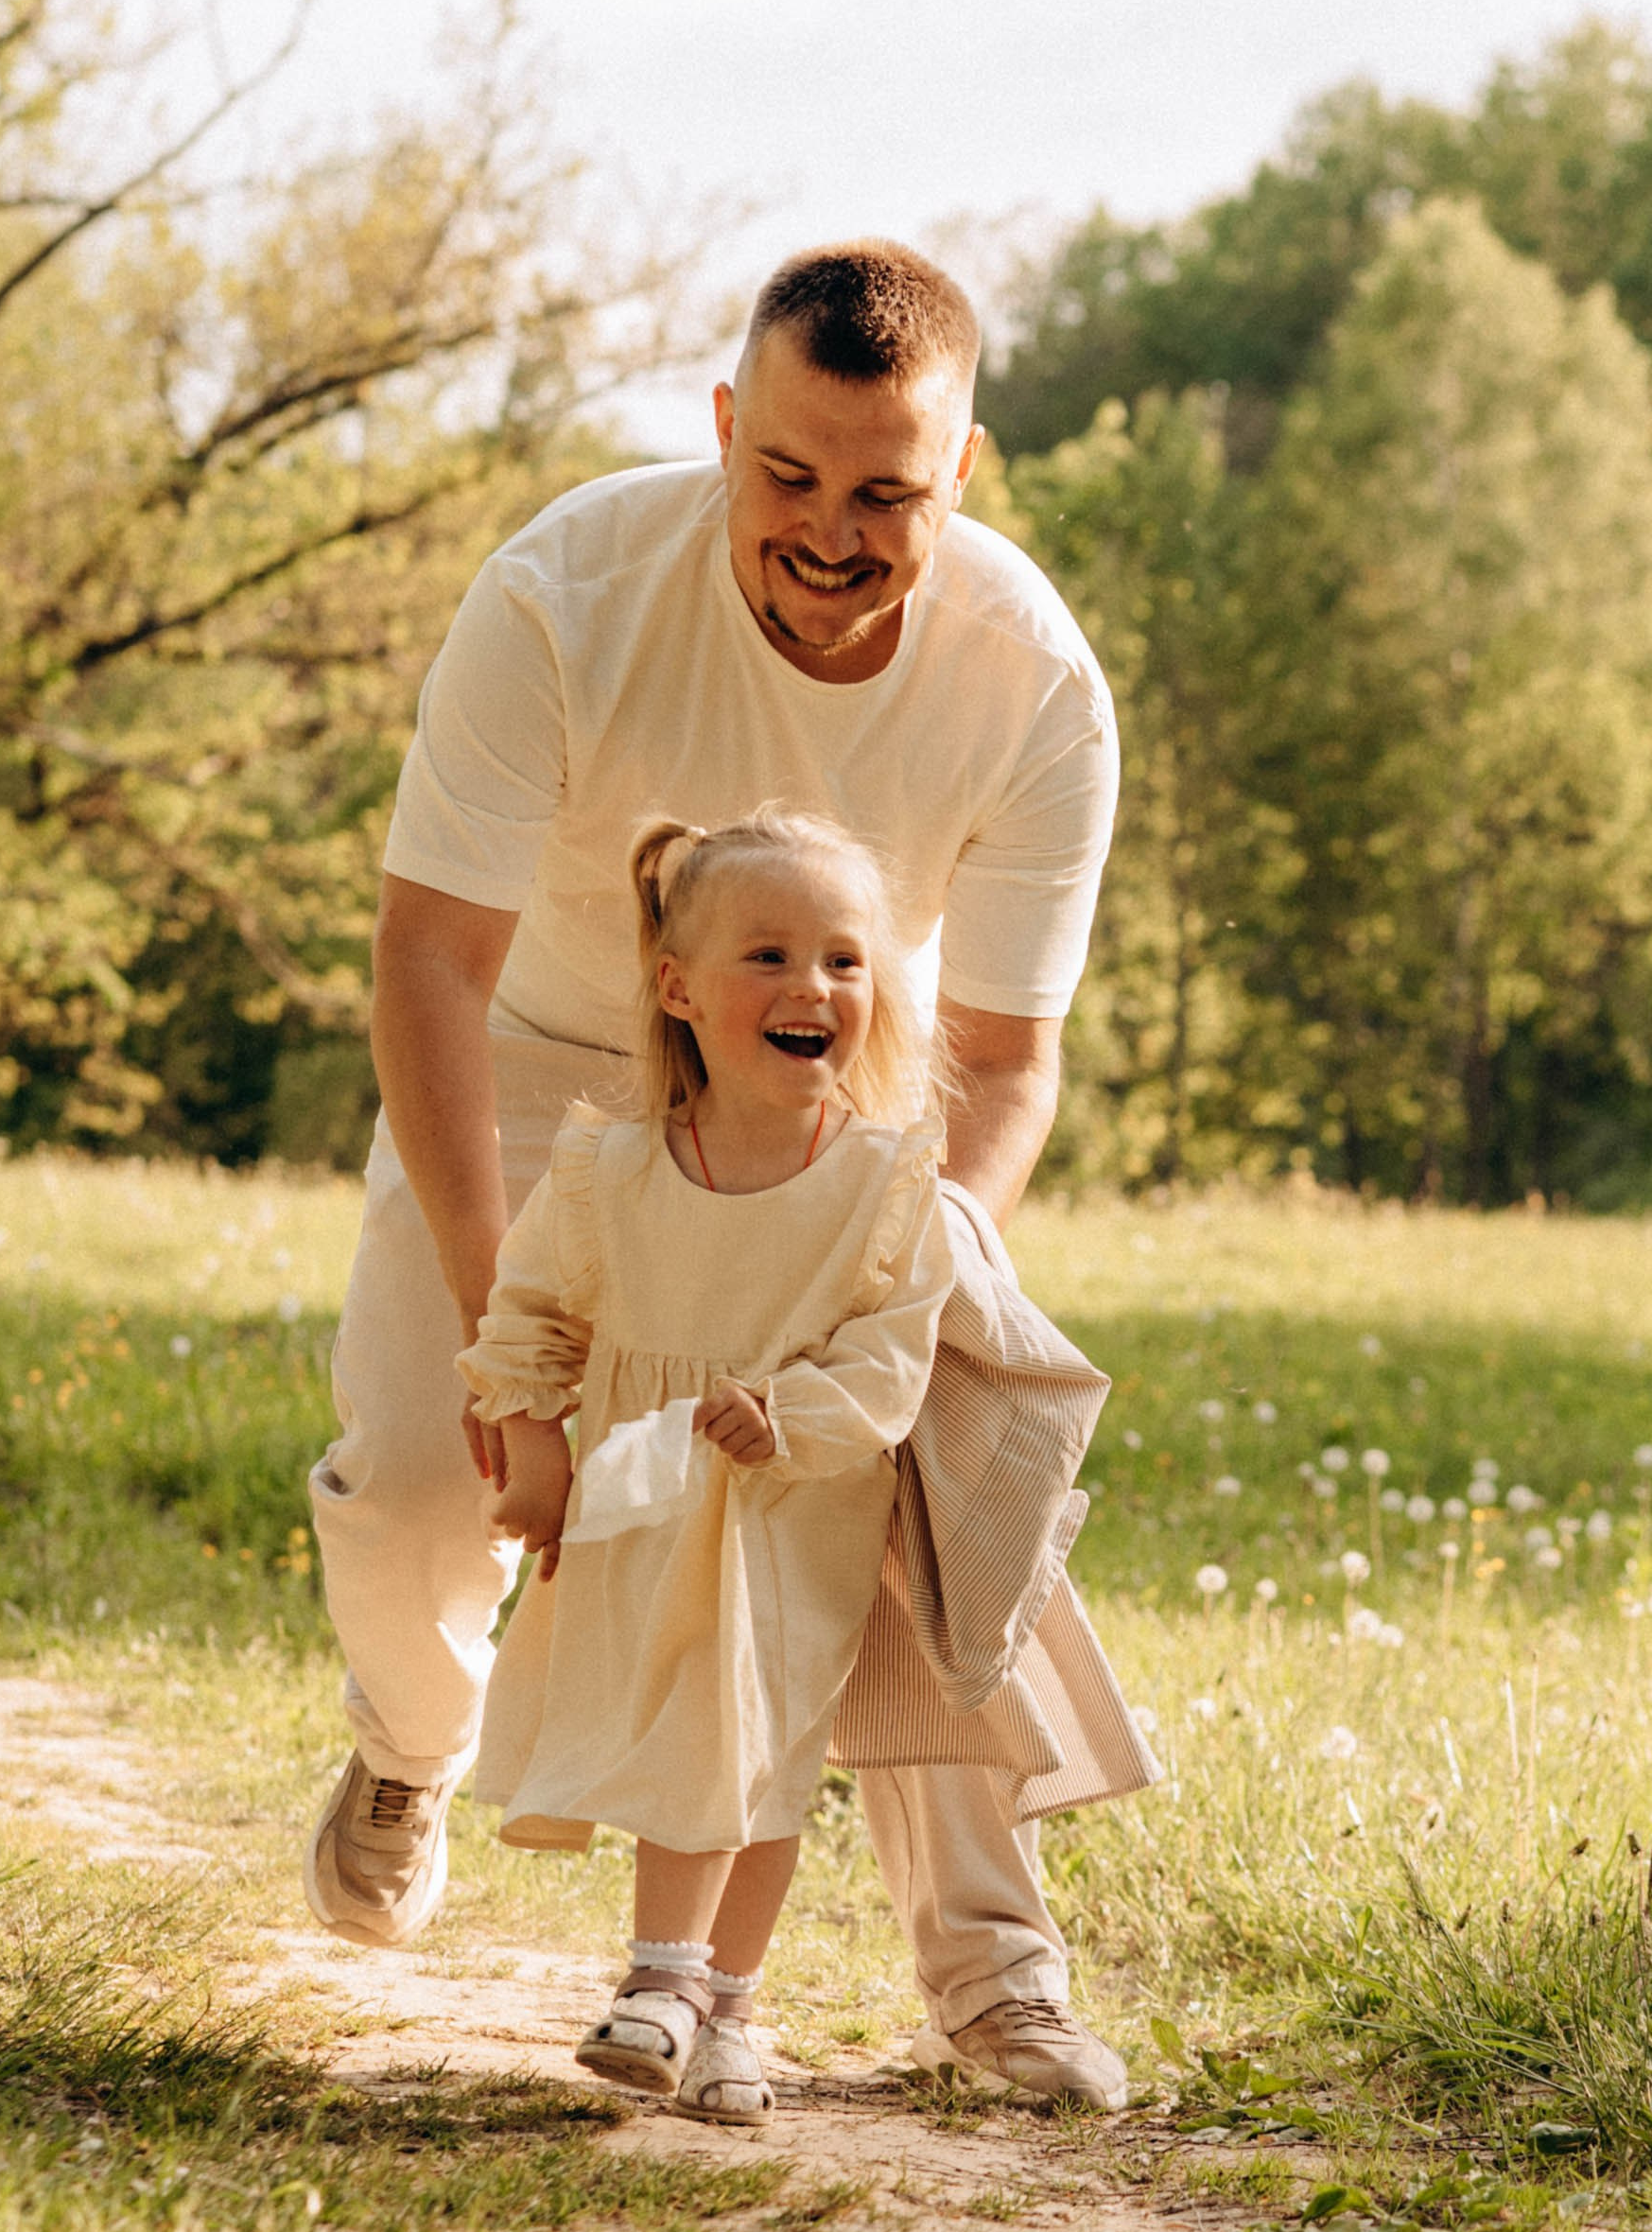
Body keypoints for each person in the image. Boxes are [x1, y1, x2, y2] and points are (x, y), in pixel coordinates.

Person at [305, 235, 1138, 2110]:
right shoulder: (568, 591)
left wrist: (900, 1287)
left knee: (932, 1472)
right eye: (788, 474)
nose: (831, 532)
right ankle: (414, 1737)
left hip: (832, 1078)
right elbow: (431, 956)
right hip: (543, 1052)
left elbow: (1003, 1058)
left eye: (886, 491)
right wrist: (506, 1335)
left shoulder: (1033, 681)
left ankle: (997, 1974)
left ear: (964, 471)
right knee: (429, 1473)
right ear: (721, 431)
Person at [461, 809, 953, 2127]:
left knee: (763, 1756)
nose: (814, 989)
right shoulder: (610, 1173)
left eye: (846, 962)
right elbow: (529, 1314)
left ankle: (685, 1994)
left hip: (795, 1510)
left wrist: (789, 1412)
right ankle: (705, 2006)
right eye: (771, 957)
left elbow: (890, 1364)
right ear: (678, 988)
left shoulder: (885, 1184)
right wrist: (532, 1450)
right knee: (692, 1730)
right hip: (651, 1503)